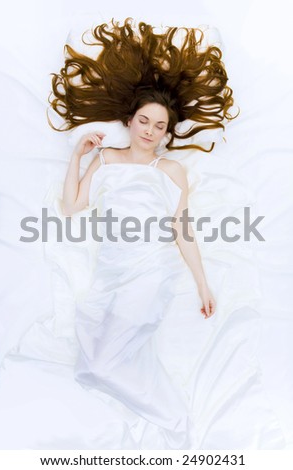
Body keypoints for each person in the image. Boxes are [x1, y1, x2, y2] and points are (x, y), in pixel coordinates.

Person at [48, 18, 238, 446]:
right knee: (93, 358)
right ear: (130, 120)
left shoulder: (169, 170)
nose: (151, 132)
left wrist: (202, 283)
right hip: (111, 271)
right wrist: (77, 156)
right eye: (144, 121)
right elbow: (72, 206)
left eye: (160, 127)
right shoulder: (109, 160)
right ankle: (158, 414)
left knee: (103, 362)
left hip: (151, 269)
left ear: (167, 134)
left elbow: (182, 229)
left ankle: (174, 422)